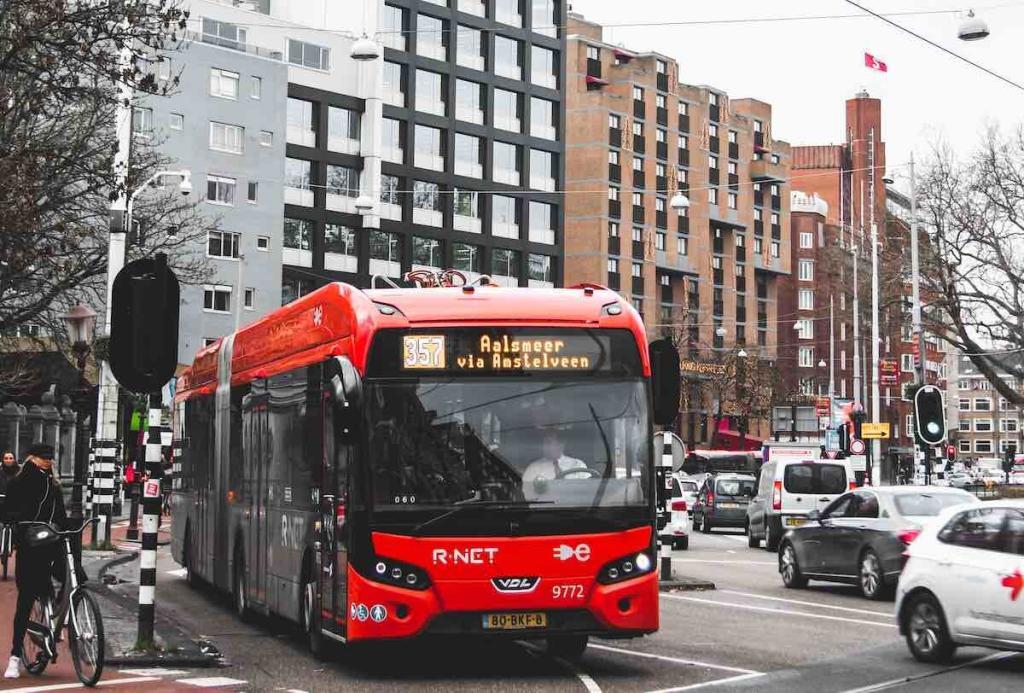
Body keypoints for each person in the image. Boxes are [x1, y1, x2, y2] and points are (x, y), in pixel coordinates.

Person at [3, 444, 67, 679]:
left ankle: (63, 616)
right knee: (25, 600)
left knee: (74, 575)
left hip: (52, 544)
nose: (48, 461)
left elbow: (61, 514)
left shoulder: (54, 484)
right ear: (32, 458)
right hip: (30, 546)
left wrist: (67, 529)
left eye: (50, 458)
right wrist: (20, 521)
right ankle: (15, 657)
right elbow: (7, 510)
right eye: (43, 458)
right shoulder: (20, 482)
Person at [521, 429, 588, 483]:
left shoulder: (578, 464)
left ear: (561, 444)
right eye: (544, 442)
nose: (545, 446)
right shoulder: (533, 468)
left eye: (548, 442)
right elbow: (527, 494)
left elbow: (588, 489)